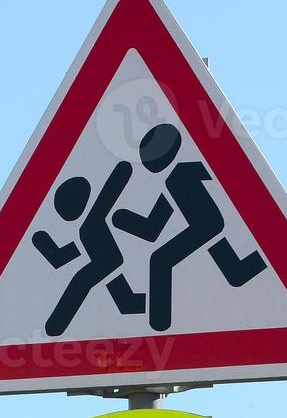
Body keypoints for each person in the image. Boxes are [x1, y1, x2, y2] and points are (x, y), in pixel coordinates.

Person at [112, 123, 268, 332]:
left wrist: (121, 218)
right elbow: (152, 229)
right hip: (210, 228)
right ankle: (265, 259)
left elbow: (230, 177)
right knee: (236, 272)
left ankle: (159, 324)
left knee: (160, 260)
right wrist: (123, 219)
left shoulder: (185, 172)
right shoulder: (174, 180)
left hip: (206, 225)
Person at [32, 163, 146, 337]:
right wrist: (47, 246)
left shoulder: (91, 222)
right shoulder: (87, 226)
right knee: (120, 296)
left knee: (82, 282)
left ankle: (54, 328)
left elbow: (113, 187)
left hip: (107, 261)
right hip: (108, 262)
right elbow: (62, 256)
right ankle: (53, 329)